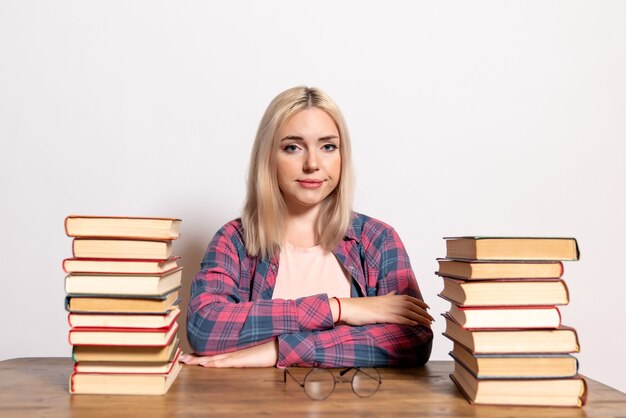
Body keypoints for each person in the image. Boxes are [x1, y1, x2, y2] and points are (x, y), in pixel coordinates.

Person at [180, 86, 433, 369]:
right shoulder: (234, 241)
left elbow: (414, 339)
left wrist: (279, 350)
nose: (312, 164)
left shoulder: (377, 239)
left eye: (328, 146)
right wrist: (338, 309)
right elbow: (205, 328)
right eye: (292, 147)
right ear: (268, 158)